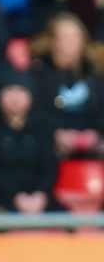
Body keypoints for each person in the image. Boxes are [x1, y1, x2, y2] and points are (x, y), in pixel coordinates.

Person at [0, 70, 58, 213]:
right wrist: (15, 196)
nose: (15, 97)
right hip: (0, 197)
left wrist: (40, 195)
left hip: (38, 198)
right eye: (9, 90)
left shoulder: (42, 128)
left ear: (31, 96)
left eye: (21, 91)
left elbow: (49, 168)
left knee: (68, 223)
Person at [30, 13, 104, 159]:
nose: (71, 42)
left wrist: (96, 134)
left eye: (76, 36)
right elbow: (35, 114)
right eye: (65, 37)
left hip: (93, 140)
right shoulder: (38, 74)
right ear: (52, 41)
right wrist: (55, 133)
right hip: (52, 142)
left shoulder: (95, 73)